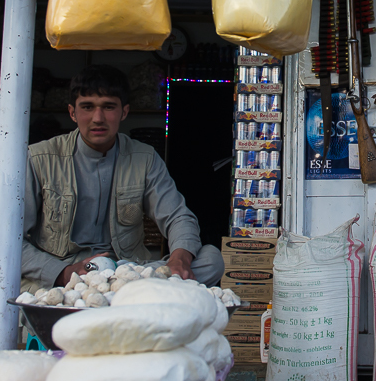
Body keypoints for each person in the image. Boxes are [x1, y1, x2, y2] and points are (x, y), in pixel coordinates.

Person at [21, 65, 224, 289]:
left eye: (108, 107)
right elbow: (8, 238)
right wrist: (62, 273)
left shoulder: (144, 158)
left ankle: (121, 292)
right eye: (87, 107)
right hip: (66, 275)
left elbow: (177, 216)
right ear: (72, 112)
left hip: (126, 271)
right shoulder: (40, 158)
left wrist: (179, 259)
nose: (98, 118)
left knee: (211, 258)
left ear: (124, 112)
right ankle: (139, 296)